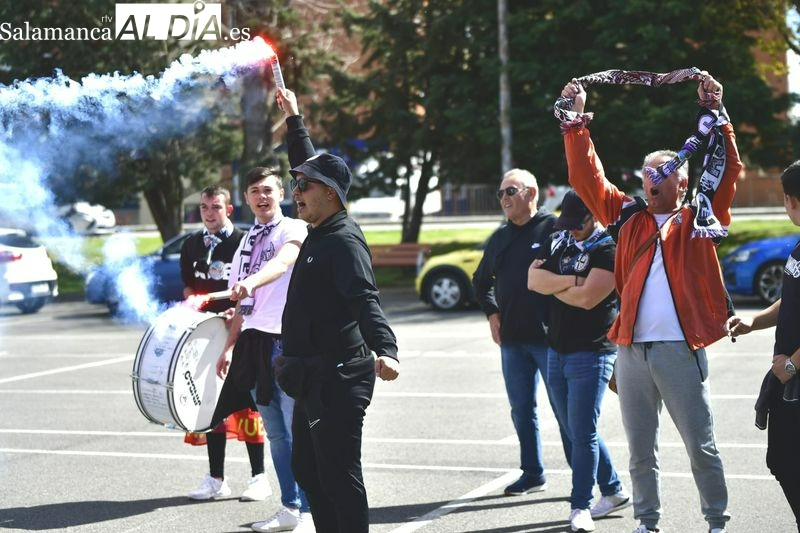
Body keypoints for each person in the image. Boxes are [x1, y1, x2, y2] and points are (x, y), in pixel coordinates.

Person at [560, 72, 741, 533]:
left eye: (662, 174)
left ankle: (716, 522)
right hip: (631, 351)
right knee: (641, 450)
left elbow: (728, 171)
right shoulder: (627, 217)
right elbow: (586, 176)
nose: (652, 181)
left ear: (681, 181)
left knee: (700, 445)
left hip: (681, 349)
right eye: (647, 175)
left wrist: (717, 115)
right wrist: (575, 121)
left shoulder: (700, 217)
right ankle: (647, 522)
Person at [274, 86, 400, 533]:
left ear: (329, 193)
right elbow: (311, 159)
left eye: (304, 186)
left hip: (340, 377)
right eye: (295, 184)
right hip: (313, 376)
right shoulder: (321, 227)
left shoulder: (343, 241)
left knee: (339, 478)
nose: (296, 192)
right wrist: (294, 119)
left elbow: (365, 298)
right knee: (308, 472)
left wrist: (386, 349)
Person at [210, 169, 314, 533]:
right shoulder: (245, 241)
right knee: (277, 435)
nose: (262, 197)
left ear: (281, 193)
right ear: (246, 197)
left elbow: (284, 261)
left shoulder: (293, 228)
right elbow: (240, 305)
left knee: (297, 431)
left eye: (268, 190)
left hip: (285, 343)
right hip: (253, 345)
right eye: (254, 191)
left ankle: (311, 513)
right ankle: (290, 507)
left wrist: (251, 282)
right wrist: (227, 347)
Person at [528, 190, 630, 532]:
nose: (571, 230)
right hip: (556, 348)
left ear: (595, 216)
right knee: (574, 428)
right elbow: (533, 280)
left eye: (579, 224)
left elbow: (589, 299)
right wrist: (572, 281)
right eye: (567, 223)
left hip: (592, 350)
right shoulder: (558, 238)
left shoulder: (608, 248)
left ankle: (580, 506)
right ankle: (614, 489)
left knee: (582, 430)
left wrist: (554, 286)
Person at [472, 168, 570, 496]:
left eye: (510, 191)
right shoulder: (500, 237)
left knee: (566, 411)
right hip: (512, 341)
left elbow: (575, 275)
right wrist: (492, 314)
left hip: (551, 339)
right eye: (500, 193)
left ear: (530, 192)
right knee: (522, 410)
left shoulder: (554, 228)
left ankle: (586, 478)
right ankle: (532, 473)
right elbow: (480, 282)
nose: (503, 199)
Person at [179, 185, 269, 503]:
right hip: (207, 337)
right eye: (204, 208)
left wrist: (237, 312)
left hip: (243, 334)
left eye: (216, 207)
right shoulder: (191, 244)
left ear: (229, 209)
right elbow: (189, 286)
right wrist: (193, 304)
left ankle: (259, 478)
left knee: (247, 406)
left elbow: (258, 286)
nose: (209, 213)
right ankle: (216, 479)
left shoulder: (244, 241)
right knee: (211, 407)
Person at [726, 160, 800, 531]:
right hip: (789, 378)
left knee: (788, 461)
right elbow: (792, 299)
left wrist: (792, 365)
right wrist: (755, 320)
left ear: (791, 200)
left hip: (794, 377)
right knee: (784, 460)